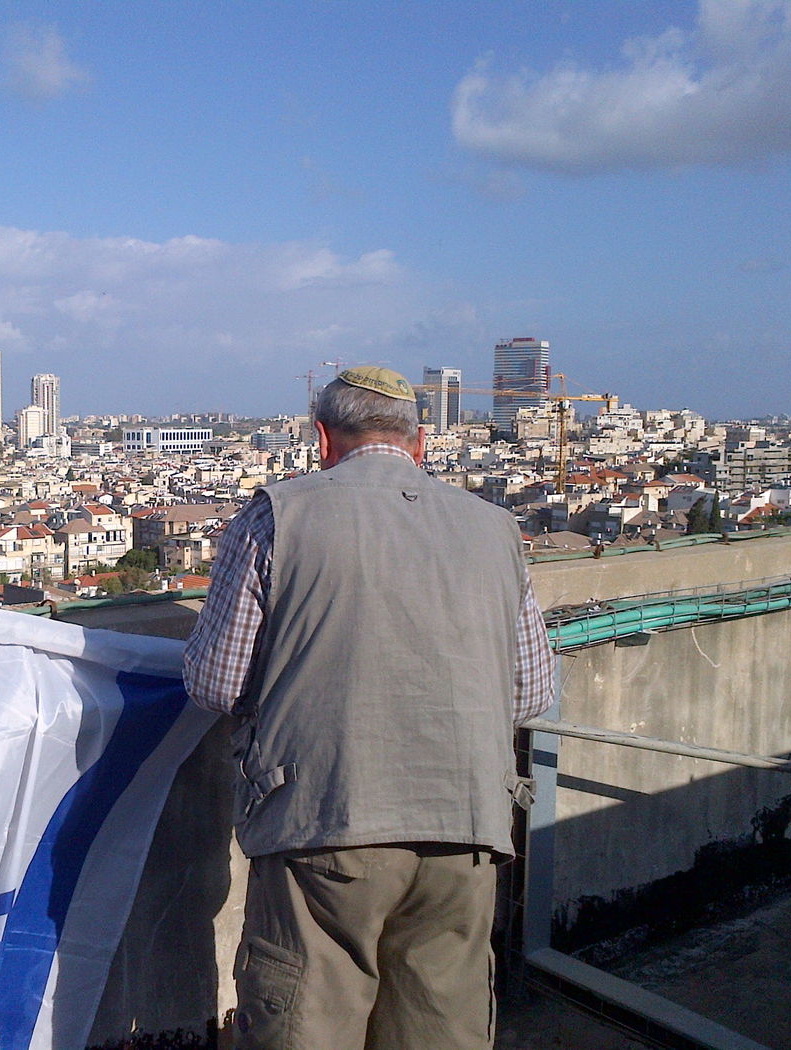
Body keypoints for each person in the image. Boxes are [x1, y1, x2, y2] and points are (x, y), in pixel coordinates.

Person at [183, 366, 554, 1050]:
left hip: (324, 820)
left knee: (306, 1024)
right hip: (465, 825)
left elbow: (215, 682)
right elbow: (531, 694)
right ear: (420, 444)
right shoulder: (497, 530)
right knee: (439, 1030)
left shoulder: (275, 516)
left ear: (322, 438)